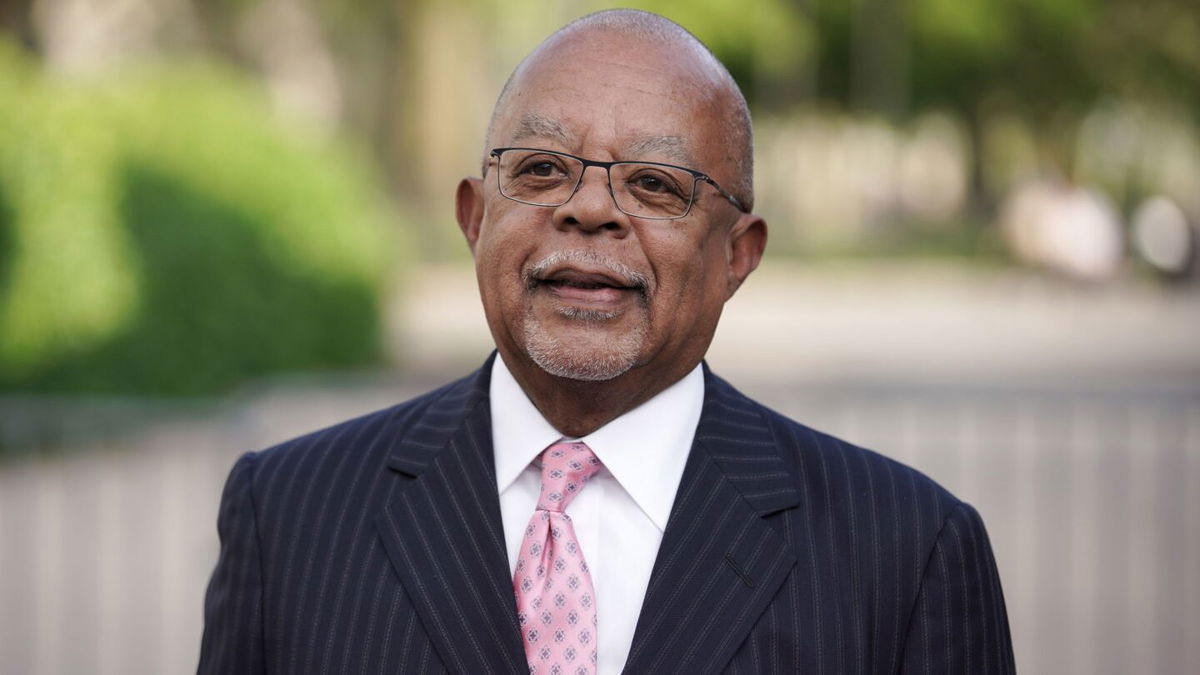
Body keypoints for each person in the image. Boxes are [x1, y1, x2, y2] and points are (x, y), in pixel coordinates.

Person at [199, 9, 1014, 675]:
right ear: (474, 218)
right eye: (543, 169)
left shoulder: (906, 553)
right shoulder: (289, 513)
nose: (589, 209)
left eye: (656, 184)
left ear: (739, 255)